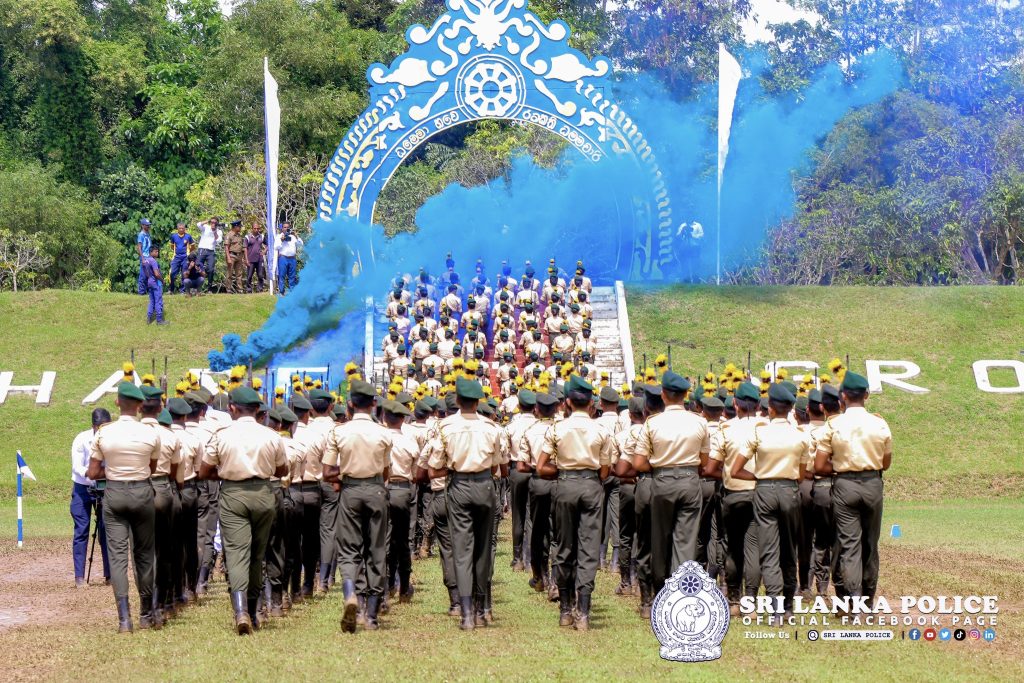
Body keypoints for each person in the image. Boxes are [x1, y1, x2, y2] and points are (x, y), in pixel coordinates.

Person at [199, 386, 287, 635]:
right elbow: (283, 470)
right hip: (264, 494)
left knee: (237, 554)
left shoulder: (222, 435)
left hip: (233, 494)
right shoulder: (271, 436)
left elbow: (204, 470)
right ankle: (254, 612)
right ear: (258, 409)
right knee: (257, 556)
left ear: (232, 408)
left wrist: (226, 472)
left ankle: (240, 612)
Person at [535, 376, 614, 631]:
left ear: (567, 402)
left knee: (564, 546)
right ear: (591, 403)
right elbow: (605, 471)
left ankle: (565, 610)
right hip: (591, 486)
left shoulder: (557, 429)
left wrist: (562, 472)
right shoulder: (601, 430)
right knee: (589, 548)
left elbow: (540, 467)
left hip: (565, 485)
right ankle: (584, 612)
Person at [426, 378, 504, 630]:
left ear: (458, 400)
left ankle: (467, 613)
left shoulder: (445, 427)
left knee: (461, 550)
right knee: (483, 549)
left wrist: (452, 469)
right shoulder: (491, 427)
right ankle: (481, 610)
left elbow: (433, 468)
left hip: (458, 486)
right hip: (485, 485)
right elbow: (497, 465)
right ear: (478, 402)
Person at [730, 382, 811, 619]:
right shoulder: (801, 436)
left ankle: (774, 607)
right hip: (790, 491)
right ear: (790, 409)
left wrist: (759, 476)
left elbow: (735, 470)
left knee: (768, 550)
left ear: (771, 408)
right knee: (789, 549)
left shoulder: (759, 432)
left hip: (764, 491)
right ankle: (788, 606)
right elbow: (801, 475)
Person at [85, 381, 161, 633]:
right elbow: (151, 468)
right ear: (139, 405)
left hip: (114, 493)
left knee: (117, 557)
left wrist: (112, 471)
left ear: (117, 403)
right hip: (142, 492)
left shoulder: (104, 433)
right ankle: (146, 613)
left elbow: (93, 472)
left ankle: (124, 619)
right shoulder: (150, 433)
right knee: (144, 554)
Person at [814, 371, 892, 604]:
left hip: (844, 486)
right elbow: (886, 463)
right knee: (870, 544)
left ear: (843, 397)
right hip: (872, 484)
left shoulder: (833, 425)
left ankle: (852, 601)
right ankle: (868, 601)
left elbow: (819, 465)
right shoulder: (880, 423)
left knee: (849, 545)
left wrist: (841, 467)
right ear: (866, 395)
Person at [321, 381, 393, 633]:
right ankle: (371, 615)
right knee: (376, 549)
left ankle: (351, 594)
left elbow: (327, 473)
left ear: (350, 403)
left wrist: (345, 473)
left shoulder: (338, 432)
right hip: (375, 490)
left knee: (349, 549)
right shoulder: (383, 433)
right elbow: (386, 472)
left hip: (350, 491)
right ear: (374, 403)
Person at [632, 371, 708, 594]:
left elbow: (638, 463)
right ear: (685, 395)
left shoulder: (652, 423)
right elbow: (704, 461)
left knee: (660, 538)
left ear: (663, 395)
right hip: (690, 480)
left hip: (662, 480)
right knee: (686, 541)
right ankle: (680, 591)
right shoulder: (699, 422)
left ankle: (660, 588)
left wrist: (661, 466)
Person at [705, 382, 766, 615]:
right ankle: (750, 602)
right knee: (754, 549)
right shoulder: (766, 428)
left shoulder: (725, 429)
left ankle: (733, 600)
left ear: (734, 404)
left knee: (732, 547)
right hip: (759, 494)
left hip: (733, 494)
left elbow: (711, 468)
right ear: (758, 405)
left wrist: (727, 473)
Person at [71, 408, 112, 587]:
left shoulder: (113, 439)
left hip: (105, 487)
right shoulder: (81, 439)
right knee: (81, 530)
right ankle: (79, 577)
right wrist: (92, 475)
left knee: (107, 530)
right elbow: (77, 467)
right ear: (93, 426)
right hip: (83, 487)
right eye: (100, 427)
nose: (103, 430)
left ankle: (110, 574)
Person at [383, 401, 418, 605]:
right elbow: (415, 474)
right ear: (403, 419)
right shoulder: (409, 442)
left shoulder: (380, 438)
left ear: (384, 418)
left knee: (383, 539)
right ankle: (404, 586)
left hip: (383, 489)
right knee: (402, 539)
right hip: (403, 489)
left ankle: (386, 586)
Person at [505, 390, 537, 572]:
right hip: (535, 470)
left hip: (516, 469)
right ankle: (531, 557)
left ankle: (518, 559)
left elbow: (505, 450)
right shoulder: (539, 425)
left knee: (518, 514)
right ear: (534, 407)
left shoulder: (512, 426)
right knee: (533, 514)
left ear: (519, 406)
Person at [141, 245, 167, 325]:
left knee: (152, 301)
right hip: (156, 283)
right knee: (158, 301)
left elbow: (145, 273)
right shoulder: (153, 261)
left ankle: (149, 318)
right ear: (151, 252)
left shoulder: (145, 261)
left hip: (149, 282)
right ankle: (159, 320)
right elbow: (156, 274)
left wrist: (149, 278)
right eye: (156, 251)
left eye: (157, 251)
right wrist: (162, 280)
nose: (157, 253)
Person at [196, 217, 221, 292]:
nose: (213, 224)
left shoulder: (219, 231)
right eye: (212, 222)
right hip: (202, 250)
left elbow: (218, 240)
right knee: (197, 267)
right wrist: (208, 221)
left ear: (217, 224)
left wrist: (214, 231)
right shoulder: (206, 227)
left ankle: (209, 288)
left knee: (210, 269)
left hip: (211, 252)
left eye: (215, 223)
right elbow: (198, 224)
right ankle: (196, 288)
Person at [168, 223, 195, 294]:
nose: (181, 229)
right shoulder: (174, 236)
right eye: (180, 228)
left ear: (185, 229)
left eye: (183, 228)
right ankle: (171, 289)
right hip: (176, 257)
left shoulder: (188, 236)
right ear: (177, 229)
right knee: (172, 273)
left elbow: (193, 246)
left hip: (185, 258)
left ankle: (182, 290)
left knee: (184, 274)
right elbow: (172, 246)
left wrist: (188, 252)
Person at [224, 220, 246, 294]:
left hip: (239, 256)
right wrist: (228, 258)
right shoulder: (229, 235)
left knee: (239, 274)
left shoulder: (239, 236)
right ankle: (228, 289)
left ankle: (240, 289)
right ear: (235, 227)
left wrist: (242, 258)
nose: (240, 228)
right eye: (239, 226)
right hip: (231, 255)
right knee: (229, 273)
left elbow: (241, 247)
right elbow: (226, 247)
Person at [244, 222, 267, 293]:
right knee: (249, 276)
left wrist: (265, 251)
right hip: (250, 259)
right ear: (252, 228)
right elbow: (245, 248)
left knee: (260, 275)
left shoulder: (261, 236)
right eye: (255, 228)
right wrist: (246, 259)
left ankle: (260, 289)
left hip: (259, 259)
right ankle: (249, 290)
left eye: (258, 228)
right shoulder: (247, 237)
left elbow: (269, 243)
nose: (256, 230)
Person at [136, 218, 153, 296]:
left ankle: (148, 291)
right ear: (142, 225)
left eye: (149, 225)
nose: (148, 226)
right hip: (144, 257)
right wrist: (142, 258)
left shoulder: (148, 234)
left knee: (149, 275)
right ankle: (141, 292)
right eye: (146, 225)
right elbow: (139, 247)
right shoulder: (141, 235)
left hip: (149, 257)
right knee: (143, 275)